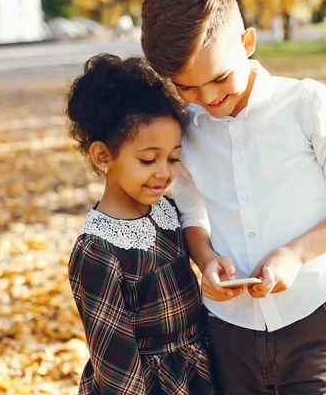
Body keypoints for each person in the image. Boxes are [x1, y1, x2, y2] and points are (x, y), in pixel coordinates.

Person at [141, 0, 326, 394]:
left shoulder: (305, 104)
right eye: (188, 87)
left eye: (220, 78)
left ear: (248, 42)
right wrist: (205, 259)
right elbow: (190, 213)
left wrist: (296, 254)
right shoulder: (185, 129)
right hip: (227, 327)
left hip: (310, 315)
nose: (210, 97)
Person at [66, 54, 214, 395]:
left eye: (173, 158)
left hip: (197, 372)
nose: (163, 172)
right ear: (103, 156)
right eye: (148, 159)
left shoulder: (169, 212)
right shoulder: (98, 249)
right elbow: (114, 363)